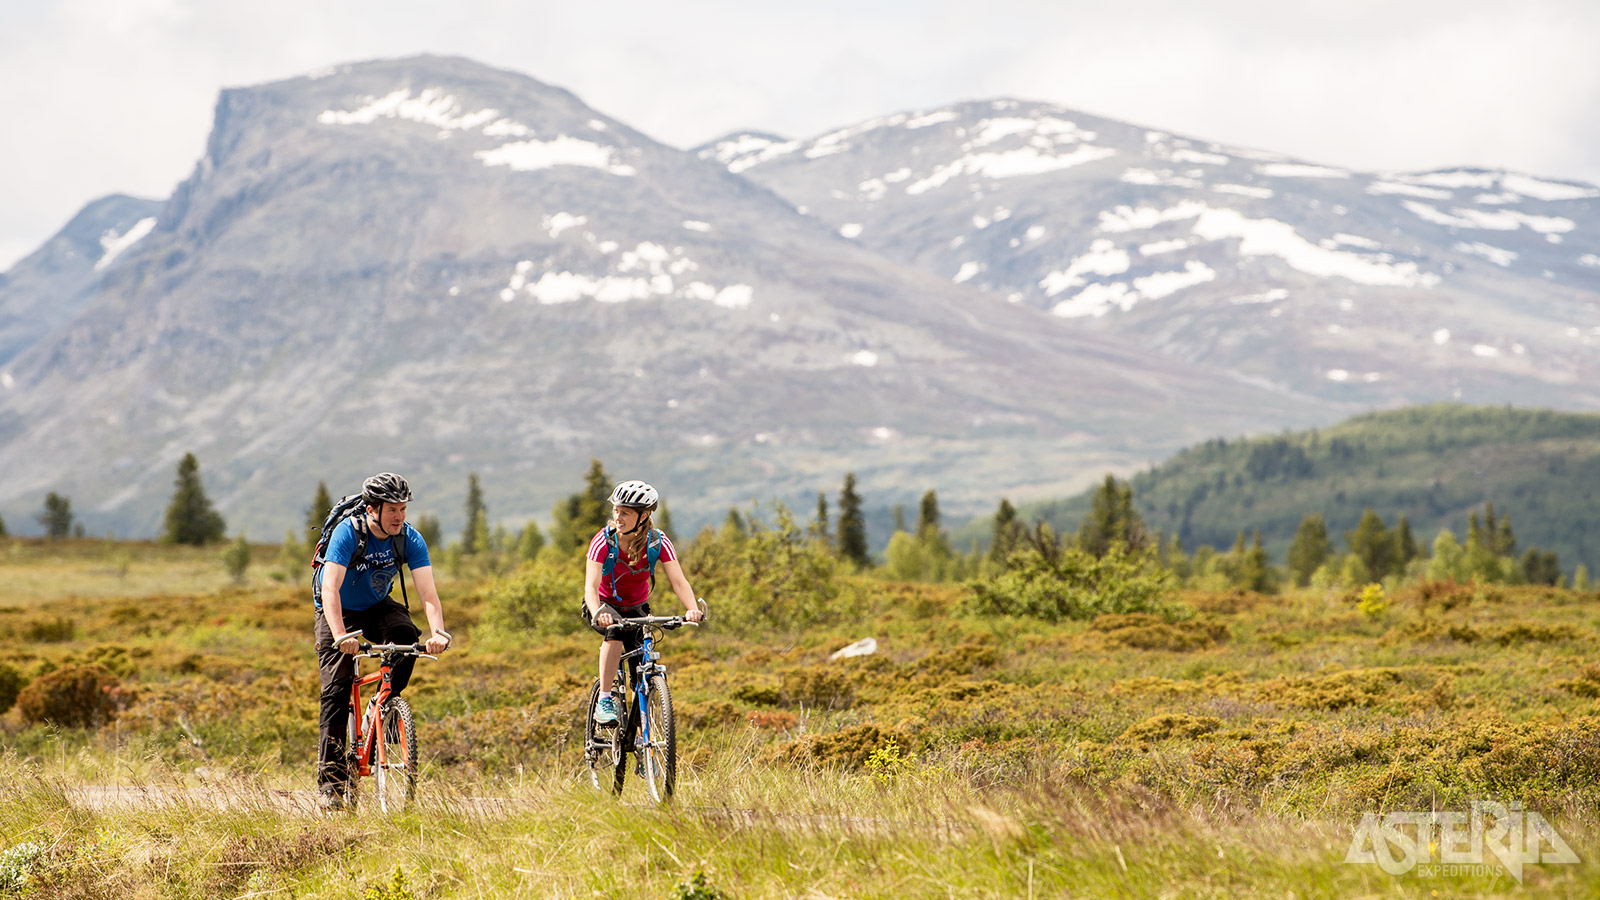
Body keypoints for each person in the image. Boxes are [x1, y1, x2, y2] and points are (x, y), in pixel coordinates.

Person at [314, 472, 450, 810]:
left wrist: (438, 632)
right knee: (336, 689)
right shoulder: (349, 533)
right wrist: (341, 635)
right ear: (372, 508)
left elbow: (428, 593)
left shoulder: (409, 538)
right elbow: (329, 588)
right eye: (392, 510)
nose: (399, 516)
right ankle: (332, 785)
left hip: (376, 605)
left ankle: (382, 706)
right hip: (337, 610)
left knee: (406, 637)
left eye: (403, 509)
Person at [580, 480, 703, 725]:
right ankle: (605, 698)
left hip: (637, 609)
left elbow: (678, 581)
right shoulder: (603, 541)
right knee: (614, 633)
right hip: (604, 606)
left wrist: (692, 609)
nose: (618, 516)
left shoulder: (658, 542)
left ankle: (641, 744)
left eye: (625, 512)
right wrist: (598, 613)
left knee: (641, 675)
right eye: (616, 510)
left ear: (643, 516)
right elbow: (590, 588)